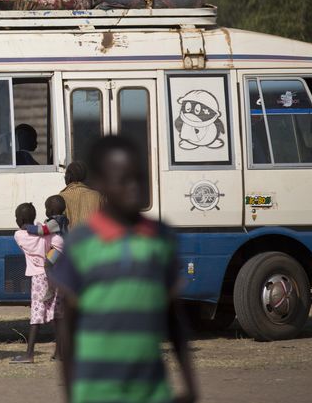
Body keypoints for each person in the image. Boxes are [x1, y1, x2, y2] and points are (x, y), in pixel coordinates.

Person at [53, 135, 197, 403]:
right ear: (101, 182)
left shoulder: (160, 237)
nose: (134, 187)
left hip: (152, 390)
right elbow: (69, 325)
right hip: (95, 392)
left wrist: (190, 384)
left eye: (139, 178)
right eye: (124, 180)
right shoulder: (82, 243)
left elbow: (173, 316)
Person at [11, 202, 63, 363]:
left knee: (36, 317)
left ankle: (29, 354)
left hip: (38, 278)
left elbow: (26, 235)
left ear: (20, 220)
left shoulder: (19, 235)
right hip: (53, 276)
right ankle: (60, 352)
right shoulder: (47, 234)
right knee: (55, 315)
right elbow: (60, 242)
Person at [59, 161, 103, 228]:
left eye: (65, 175)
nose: (65, 177)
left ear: (69, 177)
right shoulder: (97, 196)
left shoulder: (61, 197)